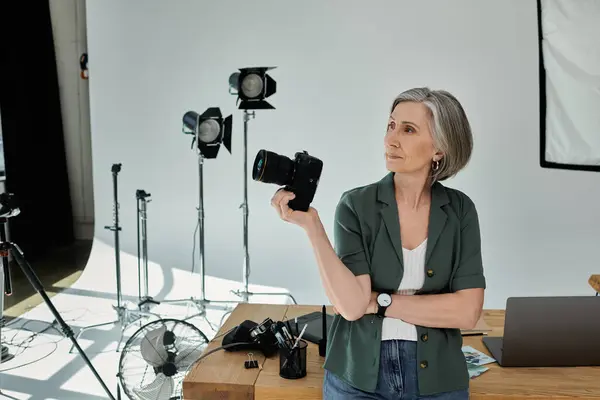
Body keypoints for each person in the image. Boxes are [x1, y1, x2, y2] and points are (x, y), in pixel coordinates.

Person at [270, 87, 486, 399]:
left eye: (408, 130)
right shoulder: (356, 205)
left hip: (439, 377)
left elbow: (467, 311)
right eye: (391, 125)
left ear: (440, 148)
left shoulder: (460, 210)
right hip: (358, 376)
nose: (391, 139)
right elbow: (353, 306)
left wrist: (381, 303)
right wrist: (313, 227)